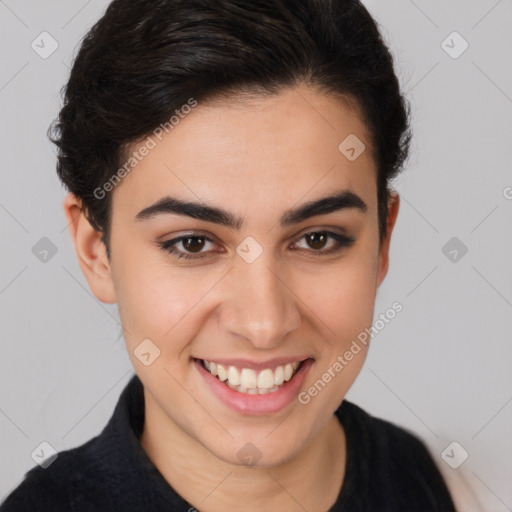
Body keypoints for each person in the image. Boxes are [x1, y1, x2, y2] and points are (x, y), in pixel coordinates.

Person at [0, 0, 462, 510]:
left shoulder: (430, 480)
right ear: (97, 253)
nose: (264, 323)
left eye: (317, 239)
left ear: (382, 240)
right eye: (192, 243)